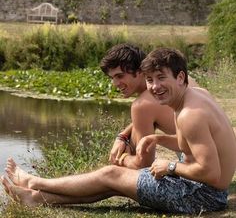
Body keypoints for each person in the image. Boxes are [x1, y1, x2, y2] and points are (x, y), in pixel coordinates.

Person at [2, 47, 235, 214]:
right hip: (209, 191)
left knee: (111, 174)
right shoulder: (193, 95)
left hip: (202, 197)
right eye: (151, 79)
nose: (154, 87)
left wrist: (170, 166)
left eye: (161, 78)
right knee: (114, 182)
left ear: (180, 76)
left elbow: (211, 173)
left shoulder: (188, 115)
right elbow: (187, 145)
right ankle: (35, 198)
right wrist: (158, 138)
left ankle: (36, 183)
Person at [100, 43, 197, 168]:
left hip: (199, 167)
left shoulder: (142, 105)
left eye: (120, 76)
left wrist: (122, 158)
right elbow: (153, 113)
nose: (115, 83)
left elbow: (144, 164)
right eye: (111, 78)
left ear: (140, 71)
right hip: (221, 157)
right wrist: (123, 135)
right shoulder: (176, 78)